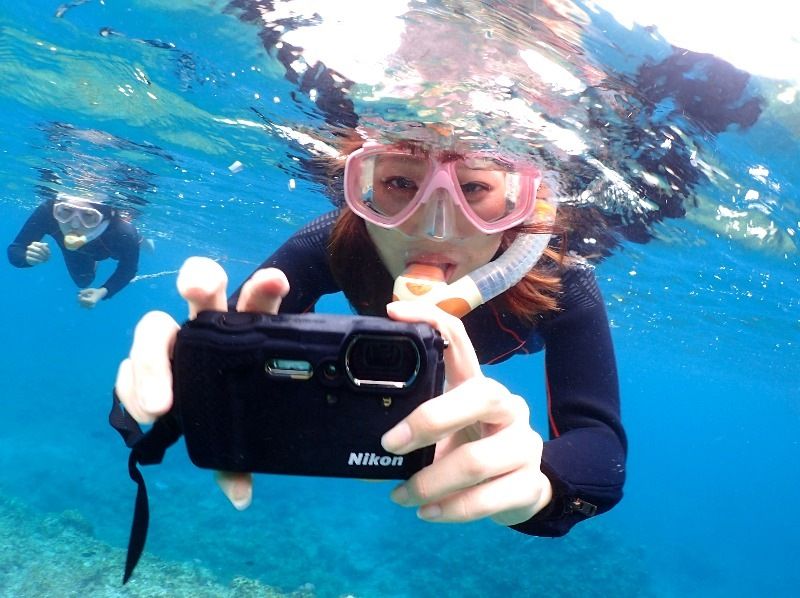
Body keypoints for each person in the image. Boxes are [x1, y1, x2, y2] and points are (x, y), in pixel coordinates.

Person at [114, 131, 626, 537]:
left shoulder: (564, 281)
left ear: (524, 201)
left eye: (474, 188)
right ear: (361, 188)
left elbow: (599, 443)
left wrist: (541, 489)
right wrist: (166, 401)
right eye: (400, 183)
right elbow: (226, 359)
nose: (434, 228)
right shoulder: (337, 244)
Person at [7, 192, 141, 308]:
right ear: (56, 209)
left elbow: (128, 269)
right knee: (83, 282)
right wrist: (27, 257)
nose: (74, 224)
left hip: (107, 248)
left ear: (103, 218)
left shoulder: (123, 232)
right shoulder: (48, 211)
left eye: (88, 215)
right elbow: (16, 248)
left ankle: (142, 240)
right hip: (76, 250)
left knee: (127, 244)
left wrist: (103, 291)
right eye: (66, 211)